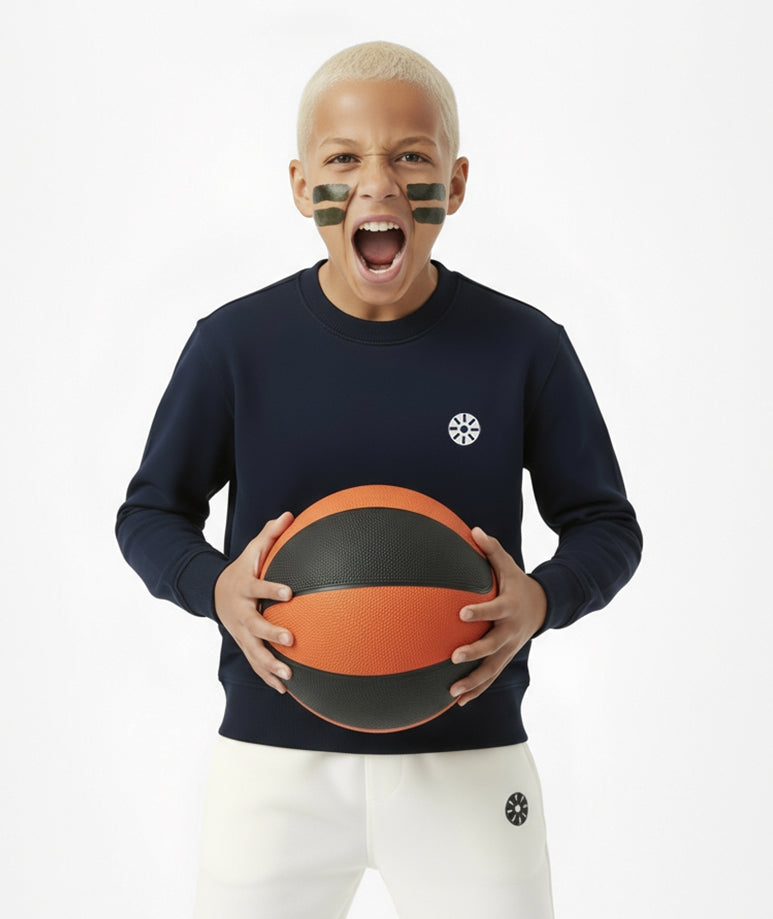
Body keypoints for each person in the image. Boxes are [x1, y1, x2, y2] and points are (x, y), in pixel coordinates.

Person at [116, 41, 642, 919]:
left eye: (410, 157)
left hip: (469, 762)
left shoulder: (524, 347)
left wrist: (540, 601)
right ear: (298, 186)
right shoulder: (235, 346)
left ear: (457, 182)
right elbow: (150, 512)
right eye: (343, 159)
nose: (378, 184)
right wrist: (215, 587)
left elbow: (605, 525)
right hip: (271, 763)